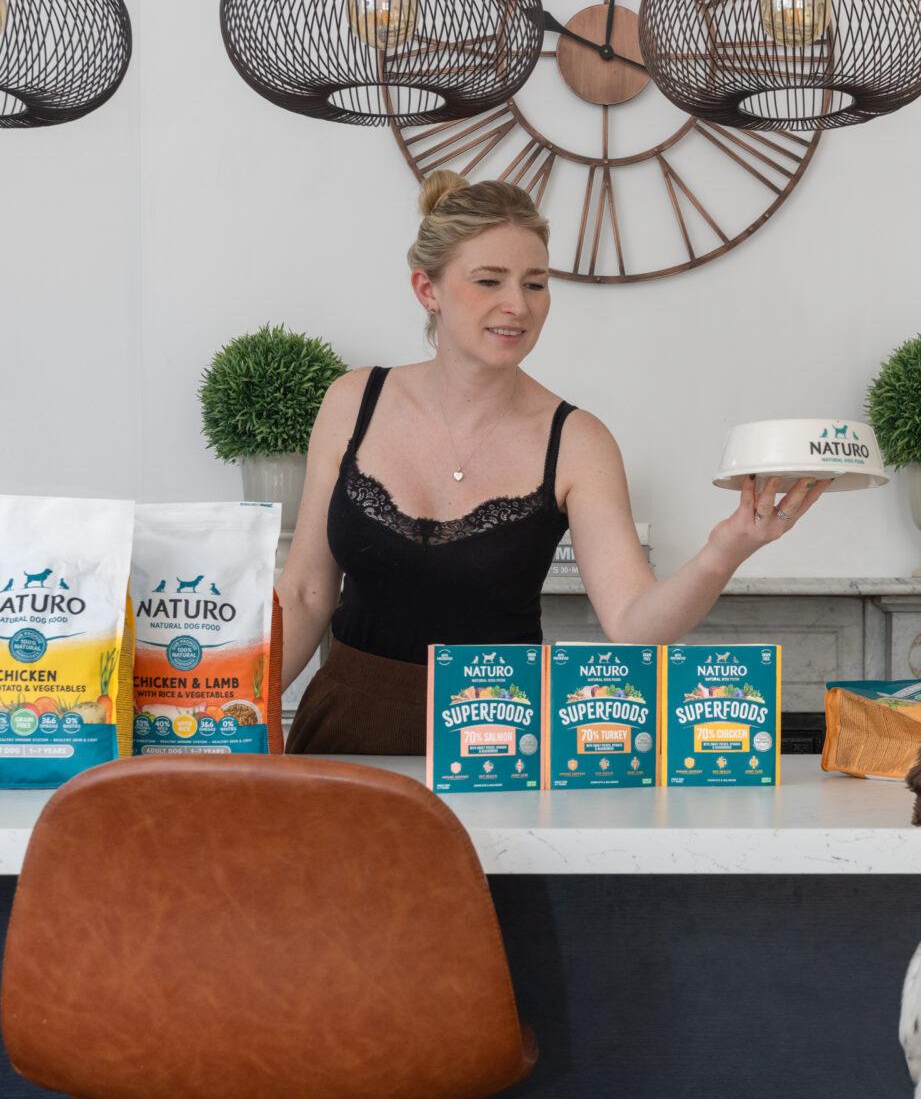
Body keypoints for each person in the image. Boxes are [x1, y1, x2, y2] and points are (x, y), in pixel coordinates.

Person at [279, 170, 831, 755]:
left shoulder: (578, 441)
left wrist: (725, 551)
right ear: (427, 289)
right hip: (342, 733)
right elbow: (307, 593)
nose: (517, 305)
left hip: (498, 743)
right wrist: (233, 716)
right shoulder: (352, 401)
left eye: (535, 284)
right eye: (489, 280)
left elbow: (633, 625)